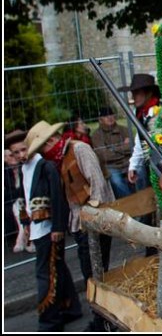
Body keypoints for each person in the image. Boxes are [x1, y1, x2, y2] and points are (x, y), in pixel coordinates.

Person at [30, 118, 116, 331]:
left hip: (94, 223)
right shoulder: (59, 160)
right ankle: (102, 319)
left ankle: (105, 321)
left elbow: (97, 186)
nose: (42, 154)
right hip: (81, 225)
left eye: (42, 148)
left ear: (51, 141)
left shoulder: (80, 150)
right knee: (91, 275)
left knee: (96, 274)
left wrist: (95, 219)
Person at [14, 121, 82, 332]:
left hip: (49, 229)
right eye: (15, 152)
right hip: (37, 228)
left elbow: (57, 197)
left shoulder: (45, 166)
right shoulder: (24, 168)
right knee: (58, 268)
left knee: (45, 273)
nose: (20, 155)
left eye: (23, 149)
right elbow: (25, 197)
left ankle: (49, 320)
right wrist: (25, 223)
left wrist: (58, 227)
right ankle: (71, 308)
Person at [120, 73, 162, 191]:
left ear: (148, 93)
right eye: (133, 93)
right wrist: (133, 165)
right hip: (152, 164)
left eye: (137, 93)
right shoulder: (140, 113)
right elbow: (141, 141)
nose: (134, 97)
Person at [91, 106, 133, 199]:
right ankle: (131, 203)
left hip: (129, 162)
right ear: (100, 119)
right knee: (116, 182)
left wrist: (113, 148)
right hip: (111, 166)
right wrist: (123, 147)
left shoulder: (124, 129)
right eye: (106, 116)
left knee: (140, 173)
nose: (109, 117)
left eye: (111, 114)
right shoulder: (96, 135)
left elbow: (132, 147)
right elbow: (104, 156)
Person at [5, 131, 34, 253]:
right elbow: (7, 196)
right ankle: (23, 238)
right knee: (16, 205)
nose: (15, 157)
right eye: (12, 155)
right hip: (14, 205)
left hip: (28, 202)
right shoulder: (6, 173)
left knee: (18, 205)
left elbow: (24, 191)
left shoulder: (25, 168)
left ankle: (21, 239)